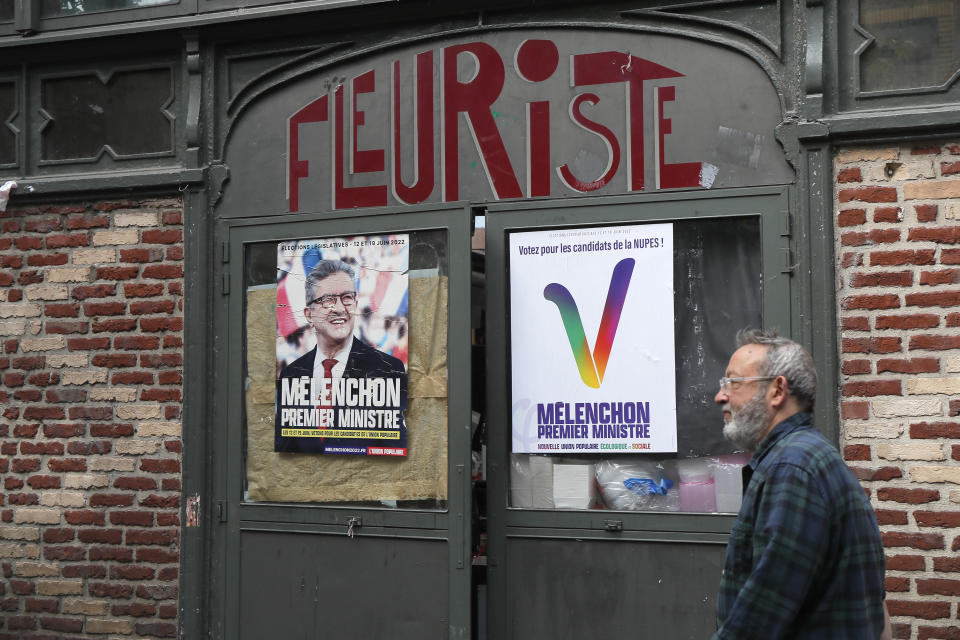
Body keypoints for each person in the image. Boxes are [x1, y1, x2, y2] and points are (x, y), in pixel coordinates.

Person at [712, 328, 888, 639]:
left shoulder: (791, 468)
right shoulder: (807, 456)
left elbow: (760, 618)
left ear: (777, 391)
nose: (721, 396)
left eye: (733, 382)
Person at [276, 259, 406, 454]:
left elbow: (395, 456)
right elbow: (285, 454)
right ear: (309, 315)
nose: (339, 308)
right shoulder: (292, 376)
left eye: (346, 298)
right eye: (327, 300)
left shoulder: (387, 370)